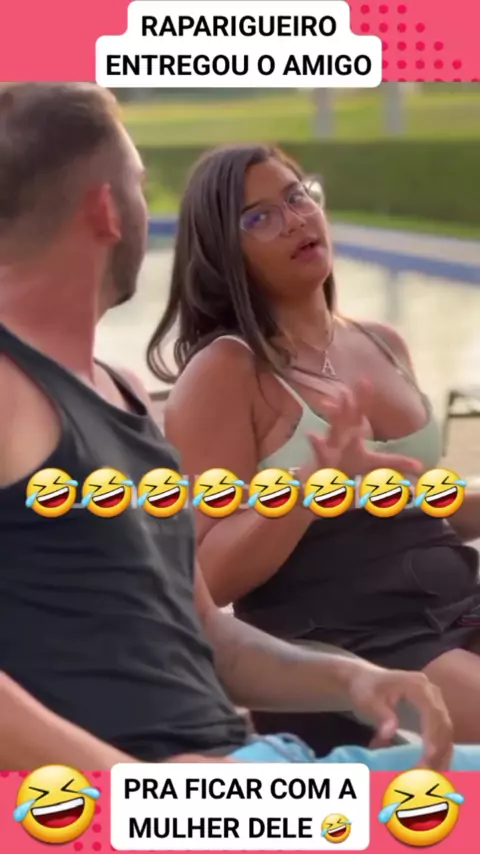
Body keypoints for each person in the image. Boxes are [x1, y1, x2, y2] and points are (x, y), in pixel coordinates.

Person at [0, 82, 478, 776]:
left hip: (263, 757)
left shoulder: (121, 393)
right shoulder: (13, 390)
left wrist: (350, 680)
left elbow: (211, 635)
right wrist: (144, 793)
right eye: (140, 183)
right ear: (106, 208)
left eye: (298, 197)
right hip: (180, 795)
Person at [147, 143, 480, 747]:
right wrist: (311, 487)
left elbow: (419, 505)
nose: (295, 220)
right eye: (259, 217)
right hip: (344, 637)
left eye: (297, 196)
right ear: (223, 251)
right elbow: (207, 576)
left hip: (454, 599)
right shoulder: (226, 371)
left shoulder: (382, 343)